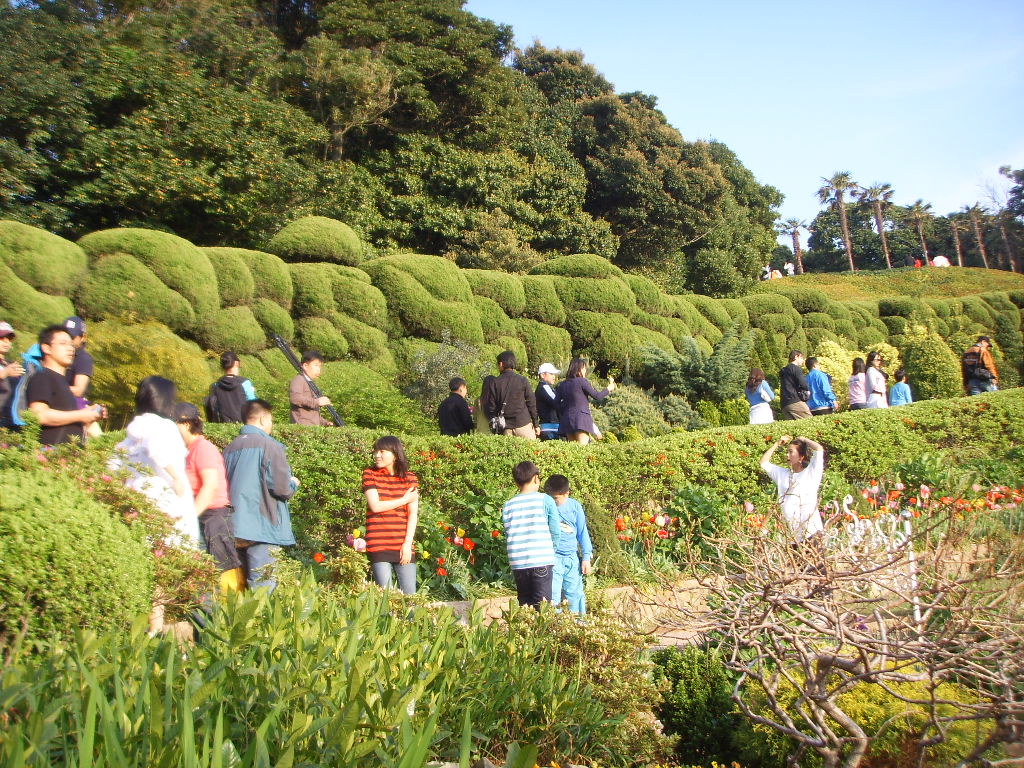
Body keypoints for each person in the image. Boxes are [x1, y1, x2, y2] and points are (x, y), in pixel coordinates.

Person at [223, 399, 298, 591]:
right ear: (264, 418)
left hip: (233, 526)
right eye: (271, 420)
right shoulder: (270, 446)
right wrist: (293, 484)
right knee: (263, 587)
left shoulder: (230, 448)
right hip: (262, 527)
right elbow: (281, 488)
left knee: (240, 590)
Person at [114, 376, 197, 542]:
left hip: (136, 499)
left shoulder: (136, 428)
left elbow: (115, 460)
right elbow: (157, 449)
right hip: (164, 497)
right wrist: (176, 477)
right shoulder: (164, 426)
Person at [175, 402, 244, 593]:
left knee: (217, 578)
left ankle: (221, 619)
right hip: (203, 517)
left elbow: (210, 486)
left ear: (187, 424)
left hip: (213, 519)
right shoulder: (188, 450)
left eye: (175, 424)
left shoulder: (203, 448)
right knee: (203, 577)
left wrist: (188, 518)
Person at [26, 325, 105, 445]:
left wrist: (90, 415)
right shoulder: (43, 377)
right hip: (50, 457)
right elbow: (38, 415)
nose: (70, 349)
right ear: (46, 348)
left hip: (66, 457)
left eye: (71, 345)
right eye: (63, 343)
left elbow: (67, 421)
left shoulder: (63, 382)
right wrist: (80, 415)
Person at [362, 435, 420, 594]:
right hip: (379, 543)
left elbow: (413, 513)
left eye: (382, 451)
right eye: (375, 451)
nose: (377, 455)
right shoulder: (370, 474)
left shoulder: (410, 478)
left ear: (395, 454)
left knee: (410, 598)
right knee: (385, 598)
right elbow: (375, 506)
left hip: (403, 544)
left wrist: (407, 544)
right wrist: (404, 499)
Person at [502, 461, 560, 608]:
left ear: (516, 482)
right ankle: (541, 631)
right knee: (543, 608)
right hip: (541, 560)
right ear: (536, 478)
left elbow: (508, 531)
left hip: (518, 563)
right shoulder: (545, 500)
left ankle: (524, 630)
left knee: (525, 606)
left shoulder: (508, 505)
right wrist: (551, 550)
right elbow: (555, 531)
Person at [760, 434, 826, 543]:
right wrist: (777, 443)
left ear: (801, 457)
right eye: (787, 451)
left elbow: (819, 449)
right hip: (792, 537)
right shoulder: (783, 474)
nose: (787, 455)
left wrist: (804, 439)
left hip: (812, 533)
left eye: (791, 452)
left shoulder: (811, 472)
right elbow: (763, 462)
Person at [543, 474, 592, 615]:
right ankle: (554, 626)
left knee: (574, 594)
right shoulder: (545, 507)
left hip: (572, 558)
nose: (552, 502)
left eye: (555, 499)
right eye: (550, 498)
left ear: (566, 494)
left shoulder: (575, 507)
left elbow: (583, 532)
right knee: (552, 595)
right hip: (553, 559)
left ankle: (578, 624)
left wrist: (586, 558)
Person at [481, 351, 540, 439]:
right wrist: (536, 424)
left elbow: (491, 407)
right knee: (530, 451)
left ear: (501, 364)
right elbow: (531, 403)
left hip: (505, 428)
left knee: (508, 452)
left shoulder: (495, 383)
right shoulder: (522, 380)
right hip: (523, 425)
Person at [555, 357, 615, 444]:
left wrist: (565, 412)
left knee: (573, 452)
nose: (585, 371)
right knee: (583, 450)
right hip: (581, 420)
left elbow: (556, 404)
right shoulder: (582, 381)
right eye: (584, 368)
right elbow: (597, 396)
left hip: (567, 421)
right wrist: (608, 389)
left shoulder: (562, 384)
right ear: (579, 369)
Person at [205, 351, 256, 423]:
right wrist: (252, 391)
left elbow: (212, 407)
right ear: (236, 363)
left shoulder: (214, 386)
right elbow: (254, 405)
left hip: (222, 426)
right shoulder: (245, 383)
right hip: (243, 425)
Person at [289, 349, 333, 426]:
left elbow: (311, 414)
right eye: (316, 365)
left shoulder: (310, 383)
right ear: (305, 366)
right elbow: (295, 398)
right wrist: (317, 402)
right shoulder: (299, 379)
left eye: (319, 366)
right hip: (302, 429)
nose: (318, 369)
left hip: (311, 430)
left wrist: (326, 423)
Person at [63, 316, 94, 407]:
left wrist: (53, 387)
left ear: (83, 337)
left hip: (72, 407)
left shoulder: (83, 359)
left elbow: (78, 390)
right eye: (65, 336)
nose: (68, 340)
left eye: (72, 337)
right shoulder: (57, 353)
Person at [779, 350, 812, 420]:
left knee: (794, 427)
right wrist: (807, 391)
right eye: (801, 358)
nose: (803, 361)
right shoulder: (796, 368)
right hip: (794, 400)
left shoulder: (784, 370)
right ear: (796, 357)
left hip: (784, 404)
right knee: (809, 421)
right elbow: (803, 384)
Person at [0, 321, 24, 413]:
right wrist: (5, 373)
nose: (6, 341)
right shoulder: (8, 368)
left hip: (12, 416)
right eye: (1, 337)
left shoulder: (10, 363)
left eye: (9, 338)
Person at [535, 362, 561, 440]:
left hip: (549, 427)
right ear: (542, 375)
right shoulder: (545, 387)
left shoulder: (545, 387)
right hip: (550, 428)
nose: (554, 376)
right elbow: (556, 402)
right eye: (551, 374)